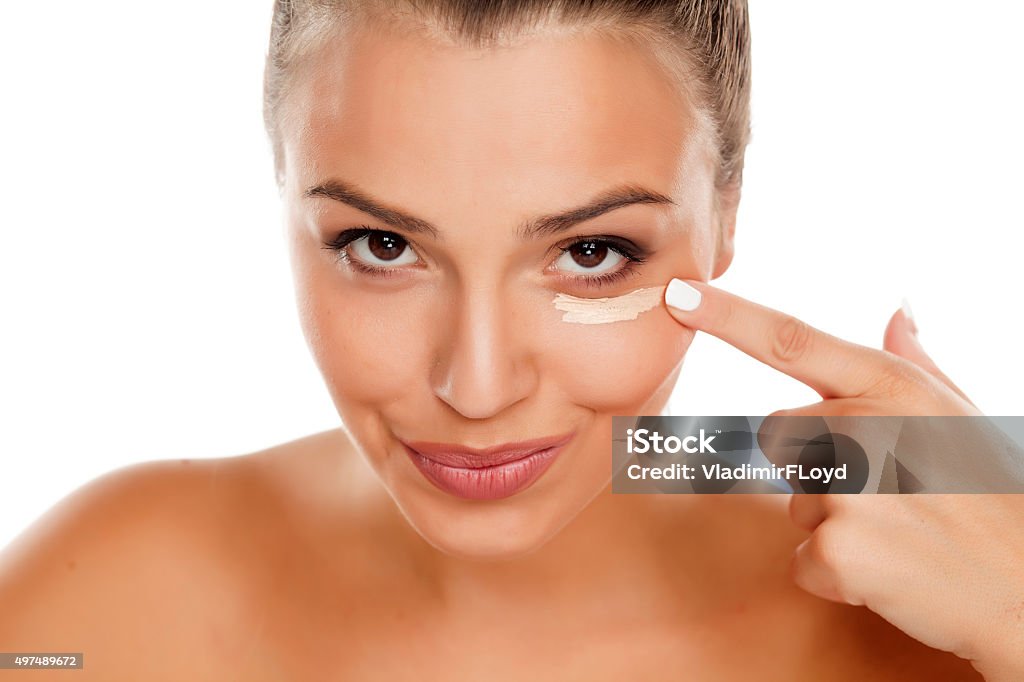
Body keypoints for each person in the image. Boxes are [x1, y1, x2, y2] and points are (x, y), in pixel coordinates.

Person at [1, 1, 1021, 679]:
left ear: (726, 210)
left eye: (589, 252)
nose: (478, 387)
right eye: (382, 243)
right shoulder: (106, 605)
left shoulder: (932, 618)